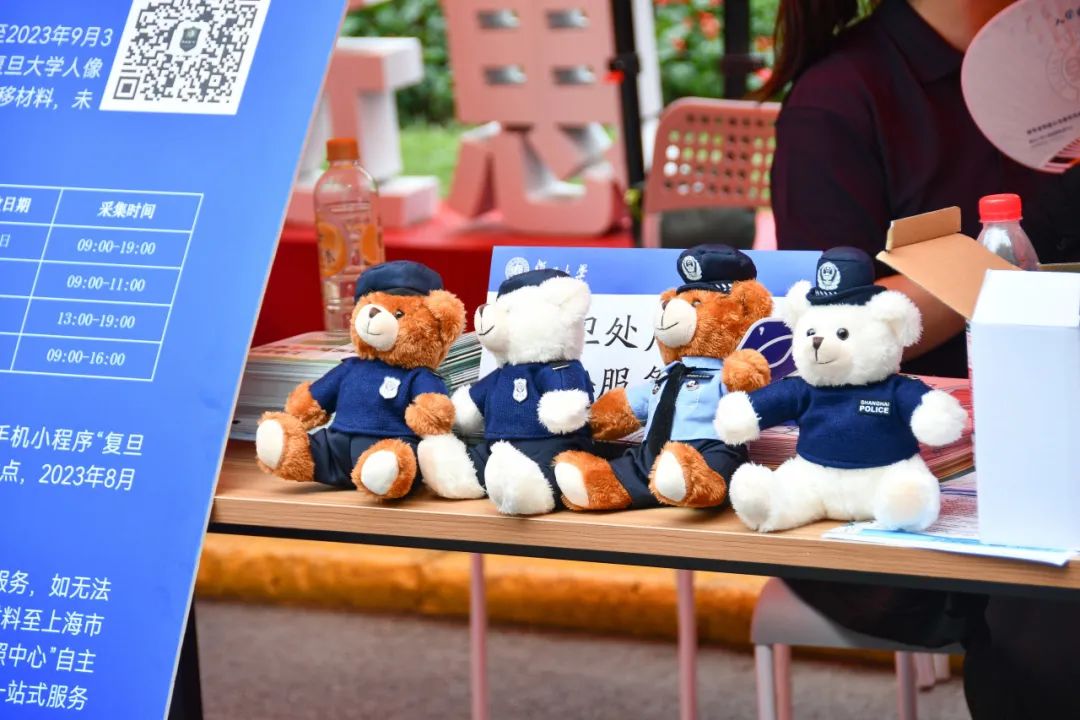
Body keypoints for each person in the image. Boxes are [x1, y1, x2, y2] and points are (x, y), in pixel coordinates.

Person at [758, 0, 1080, 717]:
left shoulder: (1058, 56)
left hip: (1058, 437)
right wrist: (1027, 237)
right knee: (1052, 626)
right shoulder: (842, 99)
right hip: (902, 481)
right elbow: (834, 335)